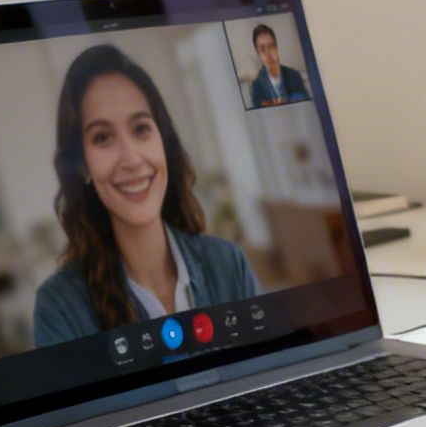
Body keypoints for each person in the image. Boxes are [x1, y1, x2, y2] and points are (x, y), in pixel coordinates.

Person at [34, 44, 260, 347]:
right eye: (102, 137)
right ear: (82, 165)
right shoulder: (60, 308)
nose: (131, 159)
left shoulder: (229, 265)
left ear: (162, 141)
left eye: (141, 128)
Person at [248, 23, 309, 107]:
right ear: (258, 53)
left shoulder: (294, 76)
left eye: (271, 46)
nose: (267, 53)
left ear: (276, 48)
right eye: (262, 49)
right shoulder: (257, 87)